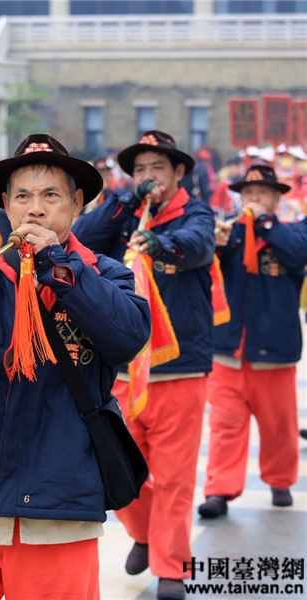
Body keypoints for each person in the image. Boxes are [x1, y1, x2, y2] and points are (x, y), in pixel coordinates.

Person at [0, 134, 150, 600]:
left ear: (77, 203)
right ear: (5, 205)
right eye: (22, 196)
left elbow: (127, 335)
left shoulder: (105, 273)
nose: (35, 209)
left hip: (58, 511)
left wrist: (57, 264)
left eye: (50, 195)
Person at [73, 130, 216, 600]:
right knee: (114, 464)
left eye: (158, 168)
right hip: (123, 368)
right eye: (140, 170)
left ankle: (172, 567)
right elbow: (82, 237)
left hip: (180, 369)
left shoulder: (195, 213)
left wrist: (154, 243)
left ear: (178, 173)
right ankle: (145, 532)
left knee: (174, 475)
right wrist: (122, 202)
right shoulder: (122, 214)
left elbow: (198, 244)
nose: (149, 177)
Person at [200, 165, 307, 519]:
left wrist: (265, 223)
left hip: (274, 351)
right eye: (248, 193)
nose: (254, 199)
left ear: (277, 198)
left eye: (262, 193)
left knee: (279, 424)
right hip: (228, 349)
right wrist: (214, 244)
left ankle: (280, 480)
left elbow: (297, 256)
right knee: (225, 424)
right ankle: (219, 490)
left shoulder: (294, 230)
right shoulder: (228, 233)